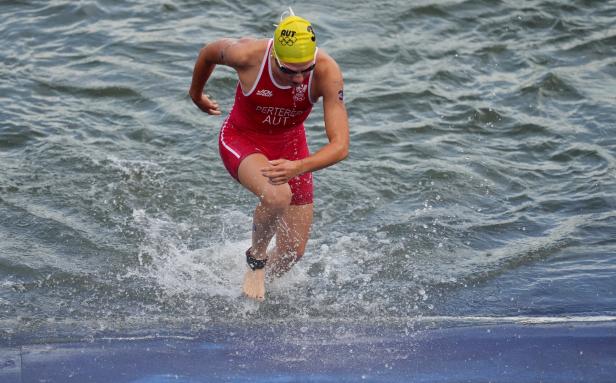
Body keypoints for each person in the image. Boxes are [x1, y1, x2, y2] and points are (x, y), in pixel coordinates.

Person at [189, 9, 349, 301]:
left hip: (291, 148)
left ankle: (246, 291)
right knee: (277, 195)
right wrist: (196, 94)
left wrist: (298, 166)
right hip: (241, 138)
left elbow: (340, 146)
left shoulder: (326, 71)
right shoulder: (247, 55)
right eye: (289, 71)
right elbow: (208, 53)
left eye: (306, 69)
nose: (300, 79)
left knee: (292, 253)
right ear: (274, 54)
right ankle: (256, 261)